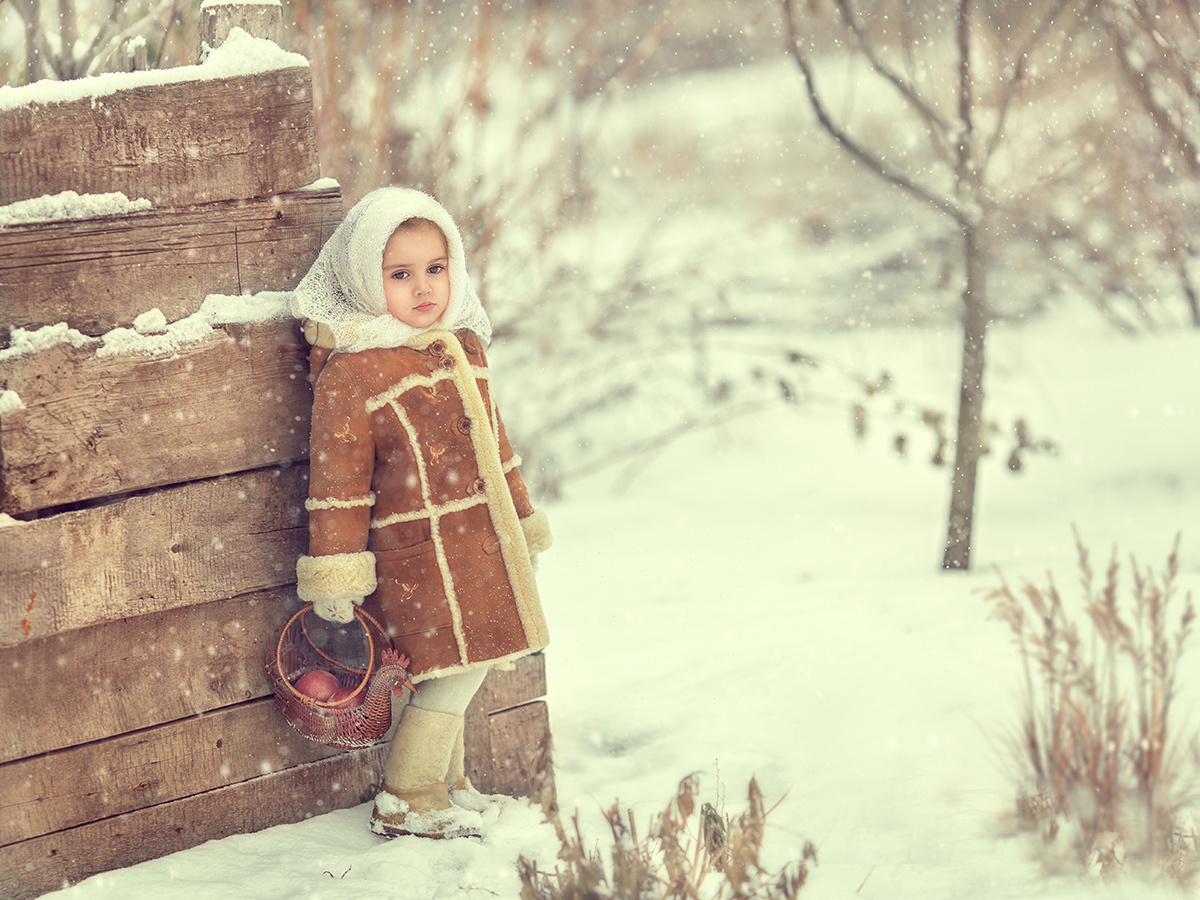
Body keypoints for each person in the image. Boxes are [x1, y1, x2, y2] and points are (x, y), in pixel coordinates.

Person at [290, 187, 551, 839]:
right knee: (454, 670)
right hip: (421, 555)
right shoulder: (353, 371)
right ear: (363, 280)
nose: (423, 286)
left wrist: (523, 519)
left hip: (484, 546)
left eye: (435, 268)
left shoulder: (462, 344)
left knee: (477, 657)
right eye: (400, 274)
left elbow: (498, 443)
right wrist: (338, 575)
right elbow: (339, 484)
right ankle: (406, 794)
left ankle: (446, 783)